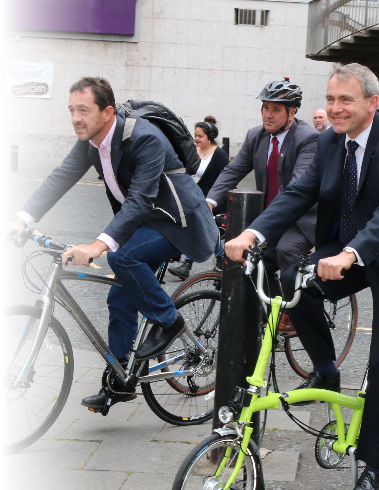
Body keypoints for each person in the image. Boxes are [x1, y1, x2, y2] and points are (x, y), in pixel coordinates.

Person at [225, 63, 379, 490]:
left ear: (371, 103)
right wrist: (254, 233)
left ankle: (375, 468)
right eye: (330, 99)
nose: (336, 108)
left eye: (346, 100)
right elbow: (296, 194)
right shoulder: (329, 141)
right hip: (343, 249)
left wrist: (348, 254)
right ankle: (326, 367)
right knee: (291, 282)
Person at [2, 77, 218, 411]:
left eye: (83, 110)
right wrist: (22, 218)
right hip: (145, 222)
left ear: (107, 112)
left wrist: (98, 246)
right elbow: (61, 177)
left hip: (178, 224)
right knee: (120, 296)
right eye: (72, 109)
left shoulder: (144, 138)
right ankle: (120, 382)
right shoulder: (91, 141)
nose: (76, 117)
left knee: (123, 259)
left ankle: (169, 321)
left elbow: (140, 200)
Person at [207, 78, 319, 331]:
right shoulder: (255, 136)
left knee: (285, 251)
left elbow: (297, 189)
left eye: (276, 109)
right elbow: (233, 171)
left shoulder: (308, 138)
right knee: (252, 260)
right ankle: (273, 309)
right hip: (266, 218)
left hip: (298, 219)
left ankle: (295, 312)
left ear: (293, 112)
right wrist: (209, 202)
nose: (268, 115)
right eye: (265, 108)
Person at [169, 116, 229, 280]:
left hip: (211, 201)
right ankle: (221, 256)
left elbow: (225, 180)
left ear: (209, 137)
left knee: (199, 229)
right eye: (195, 135)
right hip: (192, 198)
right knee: (203, 230)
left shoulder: (219, 154)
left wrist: (217, 200)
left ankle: (187, 265)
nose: (196, 138)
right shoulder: (192, 151)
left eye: (200, 136)